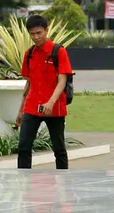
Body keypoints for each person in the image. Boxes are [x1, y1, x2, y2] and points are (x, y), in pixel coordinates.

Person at [16, 15, 73, 169]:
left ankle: (62, 181)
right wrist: (21, 110)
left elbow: (62, 80)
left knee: (59, 148)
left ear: (46, 30)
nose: (36, 37)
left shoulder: (58, 51)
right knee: (23, 147)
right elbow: (29, 83)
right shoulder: (29, 54)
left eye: (39, 33)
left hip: (54, 107)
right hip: (32, 106)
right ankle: (23, 181)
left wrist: (51, 102)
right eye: (32, 34)